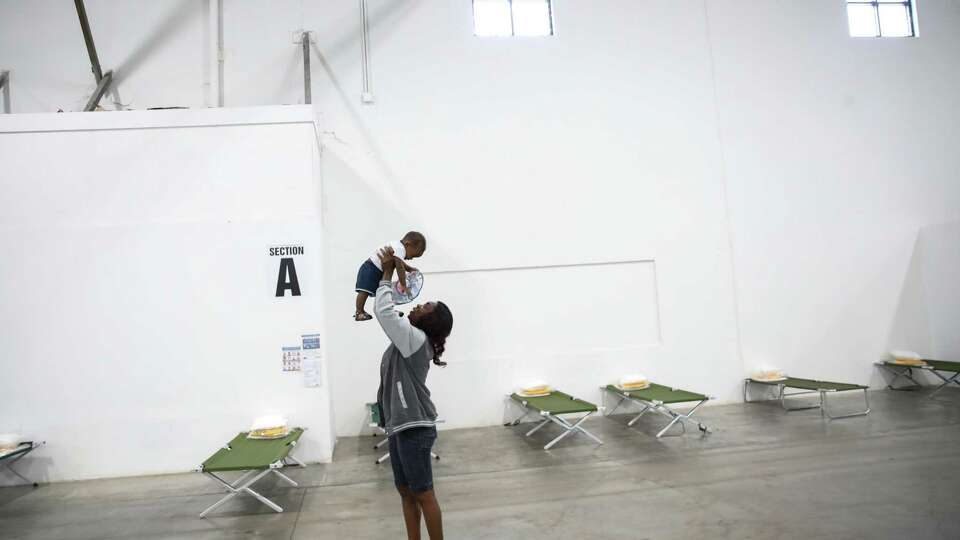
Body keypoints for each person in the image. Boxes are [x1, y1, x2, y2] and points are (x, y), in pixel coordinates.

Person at [374, 246, 453, 540]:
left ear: (428, 322)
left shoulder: (416, 339)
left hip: (414, 426)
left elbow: (383, 311)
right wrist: (397, 271)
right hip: (400, 425)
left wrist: (385, 273)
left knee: (424, 493)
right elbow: (391, 311)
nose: (418, 306)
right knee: (406, 492)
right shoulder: (410, 338)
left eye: (424, 307)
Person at [355, 231, 426, 321]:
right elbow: (399, 268)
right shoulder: (399, 249)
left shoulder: (397, 247)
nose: (411, 258)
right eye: (413, 255)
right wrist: (403, 285)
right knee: (364, 291)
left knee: (384, 292)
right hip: (371, 269)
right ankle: (359, 311)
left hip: (377, 270)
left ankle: (389, 310)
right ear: (408, 245)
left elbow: (399, 263)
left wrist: (409, 268)